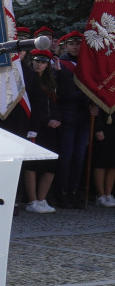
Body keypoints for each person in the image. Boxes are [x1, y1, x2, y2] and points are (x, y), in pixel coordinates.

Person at [54, 31, 90, 208]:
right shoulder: (61, 64)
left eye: (78, 43)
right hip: (67, 115)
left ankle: (73, 190)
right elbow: (61, 93)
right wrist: (85, 96)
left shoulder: (89, 63)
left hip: (84, 116)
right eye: (72, 44)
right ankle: (61, 191)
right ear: (66, 46)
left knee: (79, 156)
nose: (76, 47)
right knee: (66, 156)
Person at [23, 50, 60, 213]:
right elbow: (34, 106)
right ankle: (32, 201)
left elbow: (54, 103)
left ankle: (41, 199)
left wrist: (57, 119)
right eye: (37, 61)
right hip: (34, 126)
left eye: (43, 62)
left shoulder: (50, 80)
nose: (39, 64)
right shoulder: (28, 78)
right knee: (32, 164)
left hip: (51, 127)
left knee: (50, 165)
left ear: (48, 65)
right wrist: (46, 120)